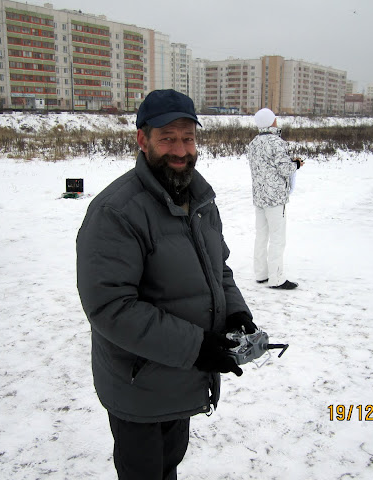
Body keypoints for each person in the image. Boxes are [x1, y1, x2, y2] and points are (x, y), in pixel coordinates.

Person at [76, 89, 256, 480]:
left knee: (169, 464)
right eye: (168, 138)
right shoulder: (116, 212)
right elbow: (110, 307)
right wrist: (197, 347)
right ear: (142, 140)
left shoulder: (200, 200)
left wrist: (235, 313)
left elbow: (219, 270)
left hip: (183, 377)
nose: (180, 150)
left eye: (188, 138)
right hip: (139, 384)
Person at [245, 108, 303, 290]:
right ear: (271, 122)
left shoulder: (253, 143)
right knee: (277, 238)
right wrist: (296, 164)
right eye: (274, 118)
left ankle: (261, 274)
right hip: (275, 199)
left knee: (261, 236)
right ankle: (276, 278)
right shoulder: (277, 143)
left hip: (260, 197)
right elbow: (285, 169)